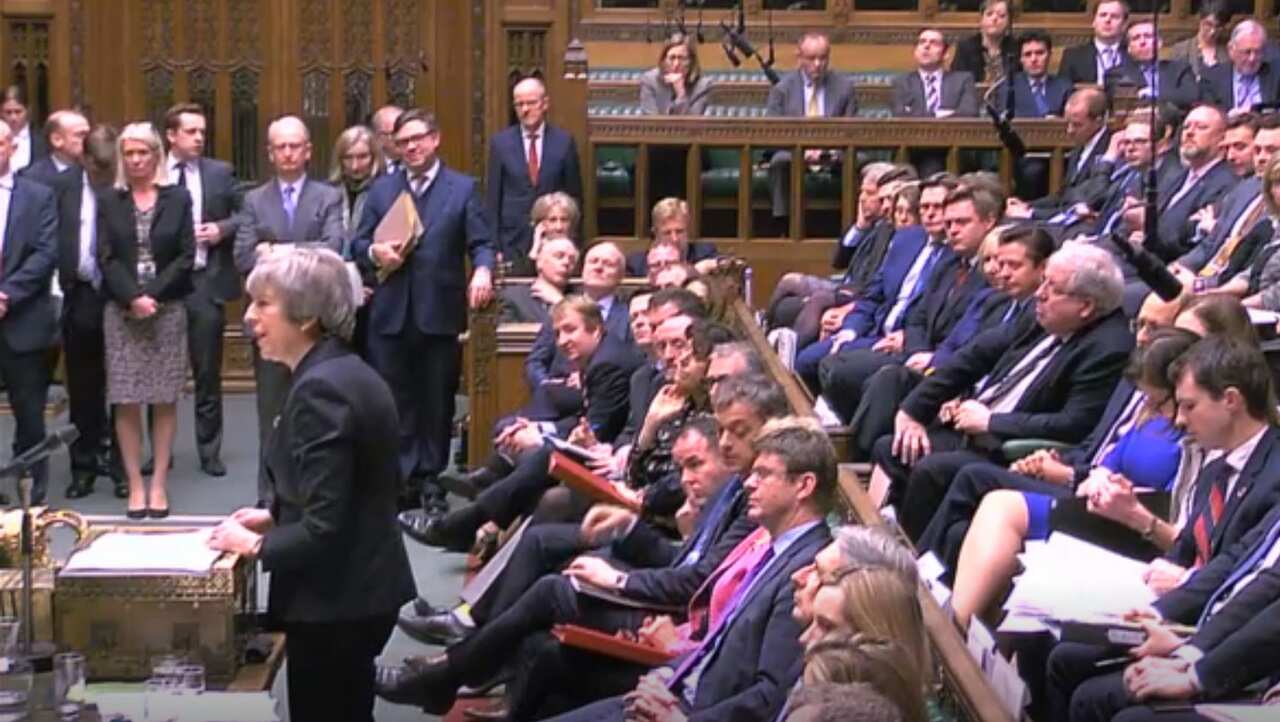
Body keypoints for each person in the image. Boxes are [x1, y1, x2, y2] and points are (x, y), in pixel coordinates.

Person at [207, 248, 414, 722]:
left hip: (338, 602)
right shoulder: (341, 369)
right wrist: (276, 513)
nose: (250, 317)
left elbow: (325, 527)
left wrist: (253, 547)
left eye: (264, 304)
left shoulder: (320, 389)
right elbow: (347, 485)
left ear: (306, 317)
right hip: (361, 588)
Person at [1044, 337, 1280, 722]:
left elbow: (1262, 596)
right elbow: (1236, 563)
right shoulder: (1214, 461)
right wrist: (1157, 614)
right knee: (1066, 651)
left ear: (1231, 400)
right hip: (1204, 621)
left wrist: (1194, 659)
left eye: (1188, 406)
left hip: (1237, 646)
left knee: (1108, 705)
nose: (1179, 419)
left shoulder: (1272, 473)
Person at [868, 243, 1135, 541]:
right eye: (1043, 280)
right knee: (892, 446)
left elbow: (1075, 423)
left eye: (1053, 287)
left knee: (932, 469)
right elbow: (975, 355)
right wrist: (913, 410)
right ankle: (885, 536)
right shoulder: (1043, 316)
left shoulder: (1109, 347)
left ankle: (914, 562)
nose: (1039, 292)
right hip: (972, 427)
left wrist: (992, 422)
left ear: (1085, 306)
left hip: (1015, 448)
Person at [944, 329, 1196, 630]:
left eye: (1159, 401)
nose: (1153, 408)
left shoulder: (1194, 436)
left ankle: (953, 628)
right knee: (983, 509)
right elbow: (1110, 459)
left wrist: (1125, 502)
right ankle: (953, 622)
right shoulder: (1150, 414)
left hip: (1134, 529)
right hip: (1099, 507)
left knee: (1001, 504)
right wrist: (1100, 477)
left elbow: (1175, 509)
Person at [399, 295, 641, 550]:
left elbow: (597, 429)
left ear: (596, 328)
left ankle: (464, 521)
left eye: (570, 330)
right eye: (557, 334)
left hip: (618, 459)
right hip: (610, 445)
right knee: (535, 451)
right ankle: (475, 509)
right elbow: (587, 419)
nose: (562, 341)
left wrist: (541, 437)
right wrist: (538, 429)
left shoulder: (607, 363)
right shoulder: (599, 355)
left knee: (542, 458)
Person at [818, 185, 998, 425]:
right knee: (832, 364)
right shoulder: (950, 264)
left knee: (868, 376)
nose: (952, 230)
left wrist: (934, 359)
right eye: (950, 223)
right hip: (918, 352)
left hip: (949, 367)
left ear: (989, 221)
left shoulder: (993, 274)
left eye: (962, 222)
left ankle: (855, 446)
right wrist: (917, 351)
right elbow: (918, 318)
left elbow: (974, 335)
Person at [97, 122, 194, 518]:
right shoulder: (110, 200)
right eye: (130, 154)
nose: (136, 160)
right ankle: (135, 484)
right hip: (121, 312)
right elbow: (106, 257)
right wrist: (133, 297)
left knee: (163, 397)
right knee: (126, 398)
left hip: (167, 310)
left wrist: (151, 295)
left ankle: (158, 485)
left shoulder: (178, 198)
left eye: (143, 153)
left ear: (157, 155)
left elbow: (186, 256)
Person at [233, 115, 344, 458]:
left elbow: (334, 248)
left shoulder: (328, 196)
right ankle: (268, 496)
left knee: (316, 407)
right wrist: (303, 249)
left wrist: (277, 250)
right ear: (270, 153)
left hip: (314, 321)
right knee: (271, 412)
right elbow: (242, 256)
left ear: (308, 151)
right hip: (268, 320)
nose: (288, 153)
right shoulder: (254, 200)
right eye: (280, 147)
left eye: (295, 146)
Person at [164, 103, 243, 479]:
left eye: (202, 132)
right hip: (161, 286)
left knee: (207, 371)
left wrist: (221, 230)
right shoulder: (154, 171)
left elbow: (248, 213)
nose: (199, 138)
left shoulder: (219, 172)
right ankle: (157, 452)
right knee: (157, 373)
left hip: (202, 281)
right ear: (171, 135)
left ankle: (209, 450)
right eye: (191, 131)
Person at [54, 124, 119, 500]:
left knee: (123, 387)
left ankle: (120, 463)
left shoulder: (122, 188)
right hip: (79, 294)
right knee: (82, 387)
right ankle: (84, 464)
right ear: (85, 159)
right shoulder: (64, 188)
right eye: (99, 168)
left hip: (117, 296)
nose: (104, 176)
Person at [0, 118, 57, 505]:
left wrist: (6, 295)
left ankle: (30, 492)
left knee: (30, 411)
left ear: (11, 148)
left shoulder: (38, 195)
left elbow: (45, 253)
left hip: (23, 317)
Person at [486, 77, 582, 272]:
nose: (525, 109)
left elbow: (574, 197)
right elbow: (493, 199)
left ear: (545, 103)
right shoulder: (500, 143)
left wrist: (572, 240)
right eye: (519, 104)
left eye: (531, 103)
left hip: (554, 240)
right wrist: (494, 247)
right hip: (513, 241)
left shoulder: (564, 142)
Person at [765, 32, 857, 220]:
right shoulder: (782, 89)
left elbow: (853, 131)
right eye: (811, 58)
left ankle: (852, 223)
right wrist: (802, 152)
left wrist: (831, 152)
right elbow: (772, 133)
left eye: (823, 58)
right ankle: (782, 223)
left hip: (833, 153)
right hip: (794, 153)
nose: (818, 64)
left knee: (859, 160)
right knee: (779, 161)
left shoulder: (844, 87)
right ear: (799, 58)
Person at [1104, 21, 1200, 111]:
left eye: (1148, 36)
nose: (1143, 42)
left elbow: (1190, 97)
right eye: (1136, 38)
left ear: (1159, 43)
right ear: (1129, 48)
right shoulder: (1116, 74)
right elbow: (1121, 103)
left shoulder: (1179, 69)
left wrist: (1155, 94)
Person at [891, 28, 979, 118]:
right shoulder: (902, 82)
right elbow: (899, 114)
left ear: (946, 54)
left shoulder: (963, 80)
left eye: (934, 43)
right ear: (915, 52)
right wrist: (940, 114)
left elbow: (970, 112)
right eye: (922, 42)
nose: (926, 46)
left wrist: (916, 113)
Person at [1199, 20, 1280, 114]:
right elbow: (1208, 115)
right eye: (1247, 52)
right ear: (1231, 50)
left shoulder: (1276, 74)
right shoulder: (1211, 78)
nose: (1252, 59)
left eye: (1258, 52)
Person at [626, 198, 719, 277]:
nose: (675, 239)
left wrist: (711, 264)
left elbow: (729, 264)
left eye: (679, 231)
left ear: (688, 229)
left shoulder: (704, 252)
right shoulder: (637, 264)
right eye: (667, 233)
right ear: (655, 233)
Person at [500, 235, 578, 324]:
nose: (566, 262)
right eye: (559, 256)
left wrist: (559, 302)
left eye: (572, 260)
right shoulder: (514, 297)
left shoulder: (580, 297)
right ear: (539, 262)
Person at [1003, 30, 1072, 119]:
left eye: (1039, 53)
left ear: (1049, 55)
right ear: (1021, 59)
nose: (1034, 59)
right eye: (1028, 54)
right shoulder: (1008, 86)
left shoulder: (1064, 86)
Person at [1058, 0, 1130, 85]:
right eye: (1103, 15)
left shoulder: (1133, 55)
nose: (1107, 20)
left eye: (1114, 16)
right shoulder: (1072, 56)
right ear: (1094, 22)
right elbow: (1063, 91)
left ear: (1124, 24)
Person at [641, 33, 712, 116]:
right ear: (663, 60)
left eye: (682, 58)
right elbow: (651, 121)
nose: (676, 64)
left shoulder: (703, 85)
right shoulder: (650, 80)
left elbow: (692, 123)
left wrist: (681, 94)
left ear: (691, 61)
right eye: (672, 58)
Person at [950, 0, 1017, 86]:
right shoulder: (965, 48)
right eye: (989, 14)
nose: (994, 19)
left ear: (1008, 22)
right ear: (981, 20)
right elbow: (957, 84)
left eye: (1001, 15)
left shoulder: (1016, 48)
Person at [18, 109, 88, 186]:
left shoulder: (93, 172)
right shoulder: (31, 178)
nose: (88, 139)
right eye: (81, 135)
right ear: (56, 140)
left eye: (89, 134)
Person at [1168, 0, 1231, 81]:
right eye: (1208, 24)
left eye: (1218, 27)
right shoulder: (1181, 50)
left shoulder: (1227, 54)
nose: (1213, 31)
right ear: (1200, 20)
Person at [1, 85, 45, 172]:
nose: (13, 117)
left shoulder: (43, 140)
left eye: (18, 111)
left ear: (28, 110)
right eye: (8, 112)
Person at [371, 104, 404, 175]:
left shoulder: (421, 164)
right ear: (378, 136)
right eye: (393, 133)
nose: (400, 137)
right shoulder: (369, 166)